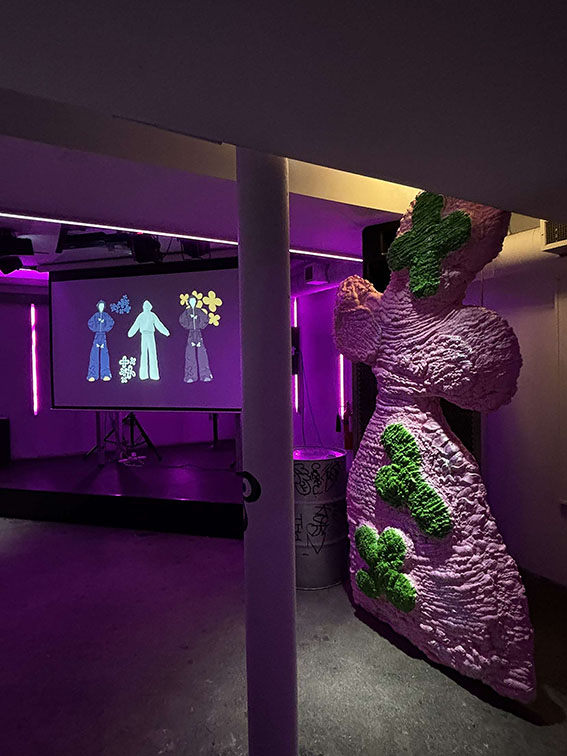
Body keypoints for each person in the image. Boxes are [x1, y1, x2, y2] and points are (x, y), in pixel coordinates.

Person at [127, 300, 170, 380]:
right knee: (144, 354)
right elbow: (135, 325)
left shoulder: (152, 315)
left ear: (150, 307)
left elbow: (158, 324)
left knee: (152, 354)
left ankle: (154, 375)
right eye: (145, 306)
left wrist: (166, 332)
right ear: (143, 307)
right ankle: (144, 375)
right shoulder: (141, 316)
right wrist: (130, 333)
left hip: (150, 335)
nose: (146, 307)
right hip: (144, 335)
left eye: (147, 306)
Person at [179, 296, 213, 382]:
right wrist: (190, 324)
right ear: (189, 302)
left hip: (198, 333)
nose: (193, 302)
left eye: (194, 301)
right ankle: (190, 376)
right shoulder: (187, 312)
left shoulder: (199, 311)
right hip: (191, 334)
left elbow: (206, 319)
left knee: (202, 354)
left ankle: (205, 375)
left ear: (196, 301)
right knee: (189, 354)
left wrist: (199, 324)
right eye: (191, 301)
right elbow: (182, 320)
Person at [87, 300, 114, 381]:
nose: (101, 307)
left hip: (103, 336)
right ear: (98, 306)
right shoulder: (95, 316)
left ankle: (105, 374)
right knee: (94, 354)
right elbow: (90, 323)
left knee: (104, 354)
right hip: (97, 336)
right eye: (100, 306)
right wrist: (96, 327)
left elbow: (111, 322)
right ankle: (92, 375)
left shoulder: (106, 315)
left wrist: (104, 326)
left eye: (102, 306)